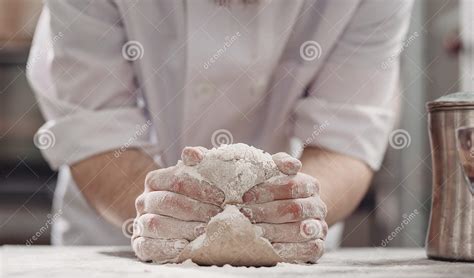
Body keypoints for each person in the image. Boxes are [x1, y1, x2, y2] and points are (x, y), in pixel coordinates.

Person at [27, 0, 413, 258]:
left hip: (285, 262)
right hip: (121, 248)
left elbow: (344, 137)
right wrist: (166, 212)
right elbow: (98, 131)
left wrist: (292, 210)